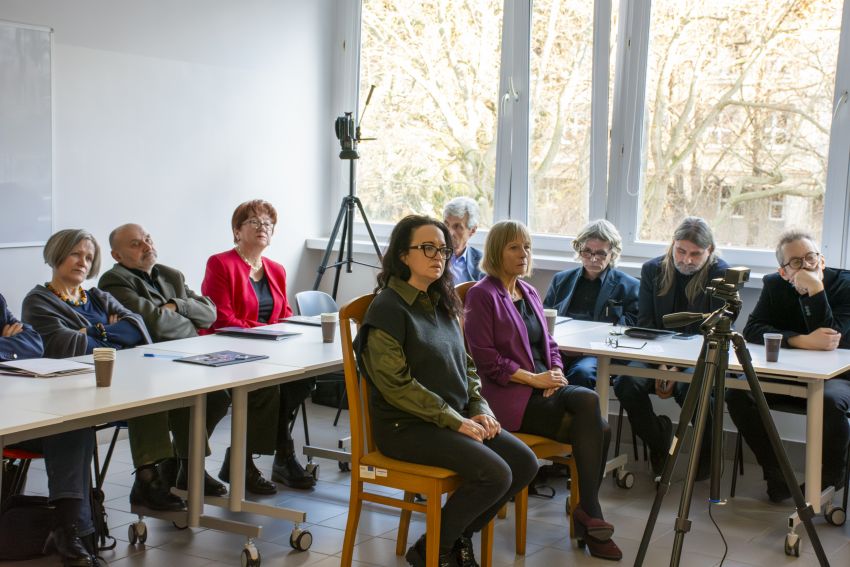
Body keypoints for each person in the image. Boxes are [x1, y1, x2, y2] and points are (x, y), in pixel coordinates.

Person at [355, 215, 538, 567]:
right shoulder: (389, 309)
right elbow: (397, 386)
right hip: (405, 427)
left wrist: (480, 407)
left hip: (449, 419)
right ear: (403, 256)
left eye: (442, 249)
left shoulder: (442, 302)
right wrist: (454, 420)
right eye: (426, 248)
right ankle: (440, 549)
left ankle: (442, 543)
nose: (438, 255)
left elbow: (467, 367)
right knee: (495, 473)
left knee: (524, 462)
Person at [464, 219, 621, 561]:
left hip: (543, 391)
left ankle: (588, 513)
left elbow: (550, 343)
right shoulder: (481, 294)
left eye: (528, 247)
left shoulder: (529, 291)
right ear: (496, 252)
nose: (524, 254)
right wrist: (536, 380)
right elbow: (485, 360)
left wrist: (556, 372)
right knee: (590, 404)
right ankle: (589, 512)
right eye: (514, 247)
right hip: (508, 398)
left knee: (601, 427)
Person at [21, 229, 185, 513]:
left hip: (116, 384)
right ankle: (138, 484)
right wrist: (111, 333)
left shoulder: (96, 296)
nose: (82, 262)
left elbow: (137, 328)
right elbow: (67, 346)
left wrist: (92, 331)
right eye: (75, 253)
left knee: (167, 393)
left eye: (88, 257)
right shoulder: (38, 301)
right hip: (69, 395)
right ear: (57, 254)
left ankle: (162, 474)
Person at [99, 223, 230, 496]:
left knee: (219, 396)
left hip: (186, 358)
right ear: (117, 256)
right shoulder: (114, 281)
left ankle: (186, 465)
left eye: (147, 239)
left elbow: (210, 313)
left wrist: (178, 305)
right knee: (171, 397)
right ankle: (157, 474)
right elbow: (154, 325)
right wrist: (186, 320)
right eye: (135, 244)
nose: (146, 246)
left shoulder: (172, 275)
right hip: (148, 365)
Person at [726, 229, 850, 503]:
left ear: (822, 260)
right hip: (790, 375)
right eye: (796, 262)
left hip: (839, 377)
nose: (806, 265)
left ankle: (831, 476)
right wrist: (801, 340)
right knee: (737, 392)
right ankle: (776, 471)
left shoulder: (845, 285)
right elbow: (754, 329)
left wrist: (815, 290)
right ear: (783, 271)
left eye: (810, 258)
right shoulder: (774, 284)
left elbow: (832, 339)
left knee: (829, 400)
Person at [201, 200, 314, 492]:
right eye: (254, 222)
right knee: (271, 387)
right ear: (237, 231)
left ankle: (246, 458)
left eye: (268, 224)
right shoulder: (220, 263)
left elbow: (285, 314)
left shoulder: (275, 269)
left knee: (303, 380)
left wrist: (290, 332)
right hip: (229, 349)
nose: (263, 228)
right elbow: (222, 318)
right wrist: (270, 332)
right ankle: (274, 458)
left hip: (269, 351)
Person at [612, 217, 729, 479]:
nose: (687, 260)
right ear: (672, 245)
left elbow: (711, 330)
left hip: (699, 355)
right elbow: (646, 323)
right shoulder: (652, 269)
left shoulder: (721, 274)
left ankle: (704, 463)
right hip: (655, 350)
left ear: (709, 251)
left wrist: (676, 366)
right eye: (681, 251)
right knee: (626, 383)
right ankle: (658, 440)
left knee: (694, 389)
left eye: (696, 254)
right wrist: (663, 364)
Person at [2, 293, 98, 567]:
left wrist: (11, 344)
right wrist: (7, 343)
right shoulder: (38, 299)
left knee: (71, 423)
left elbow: (33, 343)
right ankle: (79, 536)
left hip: (16, 414)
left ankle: (67, 531)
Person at [543, 219, 639, 389]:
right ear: (579, 250)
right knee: (536, 368)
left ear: (612, 254)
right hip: (559, 349)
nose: (593, 258)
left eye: (601, 253)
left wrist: (585, 347)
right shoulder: (561, 280)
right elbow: (544, 319)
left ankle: (574, 414)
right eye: (587, 252)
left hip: (597, 353)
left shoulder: (629, 286)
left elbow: (630, 330)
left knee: (582, 373)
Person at [442, 196, 484, 283]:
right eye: (446, 224)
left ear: (472, 230)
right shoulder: (431, 255)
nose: (449, 232)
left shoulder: (483, 262)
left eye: (457, 226)